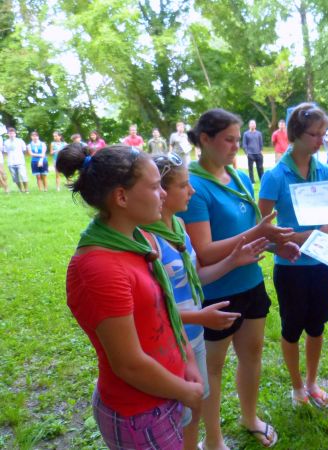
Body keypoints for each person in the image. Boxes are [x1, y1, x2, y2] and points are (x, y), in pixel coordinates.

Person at [57, 144, 204, 449]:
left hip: (165, 392)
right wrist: (185, 391)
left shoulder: (137, 238)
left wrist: (187, 359)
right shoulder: (100, 268)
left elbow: (165, 312)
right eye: (154, 187)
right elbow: (129, 364)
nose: (163, 194)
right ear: (121, 197)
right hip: (140, 412)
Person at [180, 108, 296, 449]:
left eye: (237, 139)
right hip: (218, 292)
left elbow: (249, 233)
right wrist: (256, 233)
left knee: (253, 355)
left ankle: (249, 416)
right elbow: (204, 252)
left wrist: (275, 246)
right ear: (205, 139)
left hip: (250, 284)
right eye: (229, 140)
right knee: (212, 368)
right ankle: (213, 439)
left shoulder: (238, 176)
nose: (236, 146)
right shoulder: (194, 187)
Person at [144, 153, 270, 450]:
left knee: (195, 406)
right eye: (185, 185)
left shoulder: (178, 227)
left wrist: (233, 261)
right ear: (161, 191)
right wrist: (198, 317)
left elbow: (196, 277)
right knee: (176, 414)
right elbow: (149, 307)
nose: (193, 190)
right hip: (167, 344)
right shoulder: (148, 239)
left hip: (192, 339)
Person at [259, 103, 328, 409]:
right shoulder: (275, 176)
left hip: (321, 263)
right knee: (292, 328)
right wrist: (298, 239)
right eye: (314, 134)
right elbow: (264, 226)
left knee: (317, 326)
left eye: (323, 134)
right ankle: (296, 387)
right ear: (294, 134)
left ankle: (312, 382)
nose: (320, 140)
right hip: (290, 267)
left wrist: (315, 236)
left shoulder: (326, 171)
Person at [4, 128, 28, 193]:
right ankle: (21, 189)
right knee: (15, 178)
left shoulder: (20, 141)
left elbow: (25, 150)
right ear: (8, 134)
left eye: (12, 133)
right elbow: (5, 152)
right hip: (11, 163)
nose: (11, 134)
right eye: (10, 133)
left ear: (15, 134)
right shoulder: (6, 142)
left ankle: (26, 189)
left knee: (23, 176)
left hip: (20, 161)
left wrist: (23, 158)